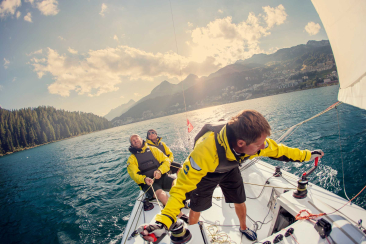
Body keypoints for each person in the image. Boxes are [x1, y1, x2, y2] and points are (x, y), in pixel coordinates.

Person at [138, 110, 324, 241]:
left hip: (229, 168)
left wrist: (308, 155)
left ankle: (243, 228)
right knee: (196, 209)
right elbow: (180, 189)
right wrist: (163, 222)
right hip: (207, 174)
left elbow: (281, 151)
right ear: (241, 143)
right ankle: (192, 225)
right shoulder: (205, 152)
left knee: (239, 200)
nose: (264, 147)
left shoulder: (255, 144)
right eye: (260, 144)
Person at [127, 134, 187, 220]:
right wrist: (144, 179)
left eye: (136, 138)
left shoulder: (153, 150)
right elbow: (134, 175)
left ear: (141, 139)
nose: (135, 140)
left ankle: (182, 202)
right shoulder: (131, 159)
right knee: (161, 194)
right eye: (133, 140)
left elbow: (166, 160)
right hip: (148, 183)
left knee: (179, 185)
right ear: (132, 145)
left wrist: (160, 171)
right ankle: (181, 215)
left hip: (162, 177)